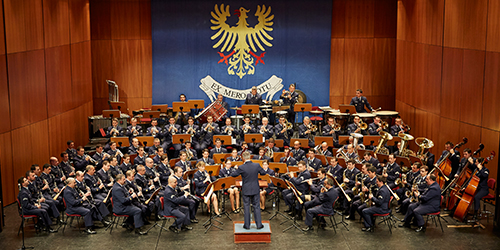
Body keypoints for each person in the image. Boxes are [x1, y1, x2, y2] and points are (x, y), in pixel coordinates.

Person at [231, 151, 267, 229]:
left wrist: (235, 169)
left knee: (246, 206)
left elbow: (233, 175)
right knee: (256, 206)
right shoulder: (256, 165)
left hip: (246, 189)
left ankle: (247, 225)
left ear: (243, 158)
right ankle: (259, 225)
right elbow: (263, 173)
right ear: (250, 157)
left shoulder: (241, 167)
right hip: (255, 188)